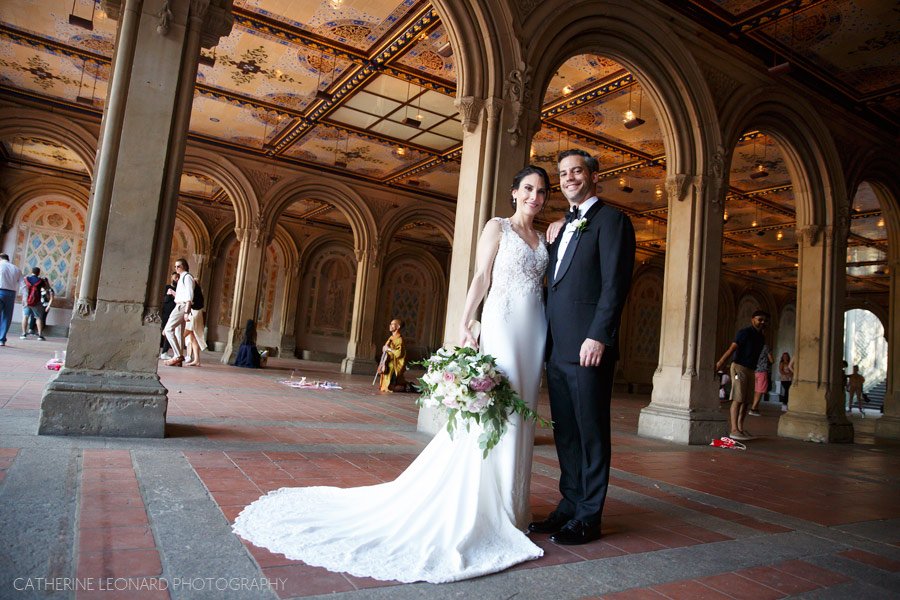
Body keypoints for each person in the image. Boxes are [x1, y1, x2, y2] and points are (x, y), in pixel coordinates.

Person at [233, 165, 552, 583]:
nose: (535, 196)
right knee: (498, 411)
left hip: (535, 330)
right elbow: (481, 277)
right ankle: (489, 508)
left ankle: (514, 505)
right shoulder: (498, 227)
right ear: (514, 192)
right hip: (503, 324)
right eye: (527, 188)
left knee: (522, 412)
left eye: (541, 191)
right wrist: (465, 321)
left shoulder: (544, 238)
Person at [528, 149, 635, 546]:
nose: (569, 177)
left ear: (592, 177)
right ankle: (570, 504)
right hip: (557, 348)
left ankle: (590, 516)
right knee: (566, 433)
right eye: (563, 173)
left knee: (590, 433)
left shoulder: (613, 222)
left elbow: (614, 285)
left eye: (576, 171)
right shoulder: (562, 226)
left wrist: (599, 335)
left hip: (589, 346)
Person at [715, 310, 769, 441]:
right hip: (739, 369)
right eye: (759, 319)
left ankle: (740, 428)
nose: (762, 322)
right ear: (752, 319)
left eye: (764, 320)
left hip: (751, 370)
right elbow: (732, 348)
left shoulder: (761, 337)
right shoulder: (744, 333)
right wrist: (720, 363)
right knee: (738, 397)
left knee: (746, 400)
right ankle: (734, 429)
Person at [162, 258, 194, 367]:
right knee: (178, 333)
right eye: (175, 267)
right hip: (179, 305)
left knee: (168, 329)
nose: (176, 268)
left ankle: (177, 355)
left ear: (184, 266)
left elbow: (189, 296)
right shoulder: (181, 278)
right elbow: (182, 295)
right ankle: (179, 360)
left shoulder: (187, 277)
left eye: (178, 266)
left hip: (182, 306)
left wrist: (186, 312)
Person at [0, 253, 24, 347]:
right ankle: (1, 339)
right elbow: (23, 285)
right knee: (7, 316)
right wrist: (25, 298)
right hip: (11, 293)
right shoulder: (16, 269)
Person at [20, 267, 50, 341]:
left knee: (25, 316)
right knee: (38, 317)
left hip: (27, 300)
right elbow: (47, 288)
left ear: (32, 271)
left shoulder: (26, 279)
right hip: (36, 301)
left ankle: (24, 334)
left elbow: (22, 289)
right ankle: (40, 335)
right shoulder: (40, 280)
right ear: (38, 273)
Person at [378, 319, 407, 392]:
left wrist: (389, 349)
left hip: (394, 363)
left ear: (398, 326)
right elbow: (386, 349)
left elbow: (399, 354)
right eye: (390, 324)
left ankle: (403, 387)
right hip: (387, 362)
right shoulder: (391, 338)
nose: (390, 325)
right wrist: (384, 348)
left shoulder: (400, 339)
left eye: (392, 324)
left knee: (390, 387)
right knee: (383, 387)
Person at [183, 281, 206, 367]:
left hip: (194, 314)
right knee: (193, 337)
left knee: (183, 334)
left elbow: (191, 302)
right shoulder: (196, 292)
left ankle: (177, 355)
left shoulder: (195, 292)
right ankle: (197, 360)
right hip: (195, 313)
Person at [749, 344, 773, 415]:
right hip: (762, 371)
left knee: (756, 390)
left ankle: (755, 408)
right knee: (760, 390)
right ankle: (753, 409)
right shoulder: (765, 346)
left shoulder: (752, 346)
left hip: (753, 370)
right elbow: (771, 360)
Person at [159, 271, 178, 359]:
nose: (176, 279)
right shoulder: (167, 287)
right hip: (165, 312)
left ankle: (165, 352)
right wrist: (168, 294)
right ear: (171, 278)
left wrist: (174, 295)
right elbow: (164, 300)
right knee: (162, 331)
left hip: (174, 313)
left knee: (170, 332)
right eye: (174, 278)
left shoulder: (179, 288)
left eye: (177, 278)